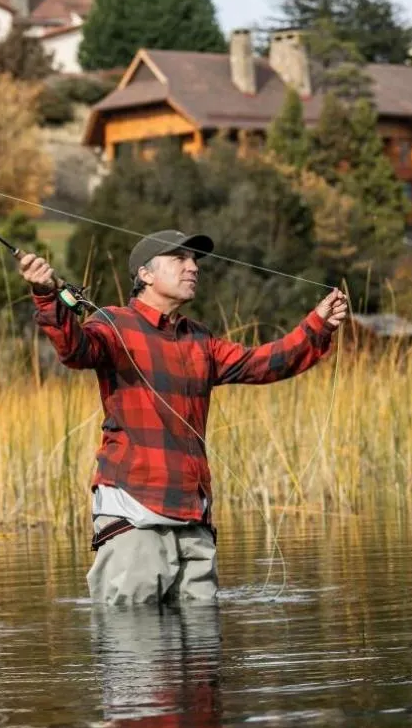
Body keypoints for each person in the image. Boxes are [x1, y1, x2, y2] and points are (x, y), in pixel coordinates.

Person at [18, 229, 348, 605]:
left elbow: (264, 364)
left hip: (194, 518)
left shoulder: (199, 339)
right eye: (180, 260)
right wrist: (46, 294)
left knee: (201, 650)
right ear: (145, 274)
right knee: (133, 643)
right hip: (134, 514)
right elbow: (75, 350)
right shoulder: (113, 324)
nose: (193, 268)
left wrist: (318, 324)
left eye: (195, 261)